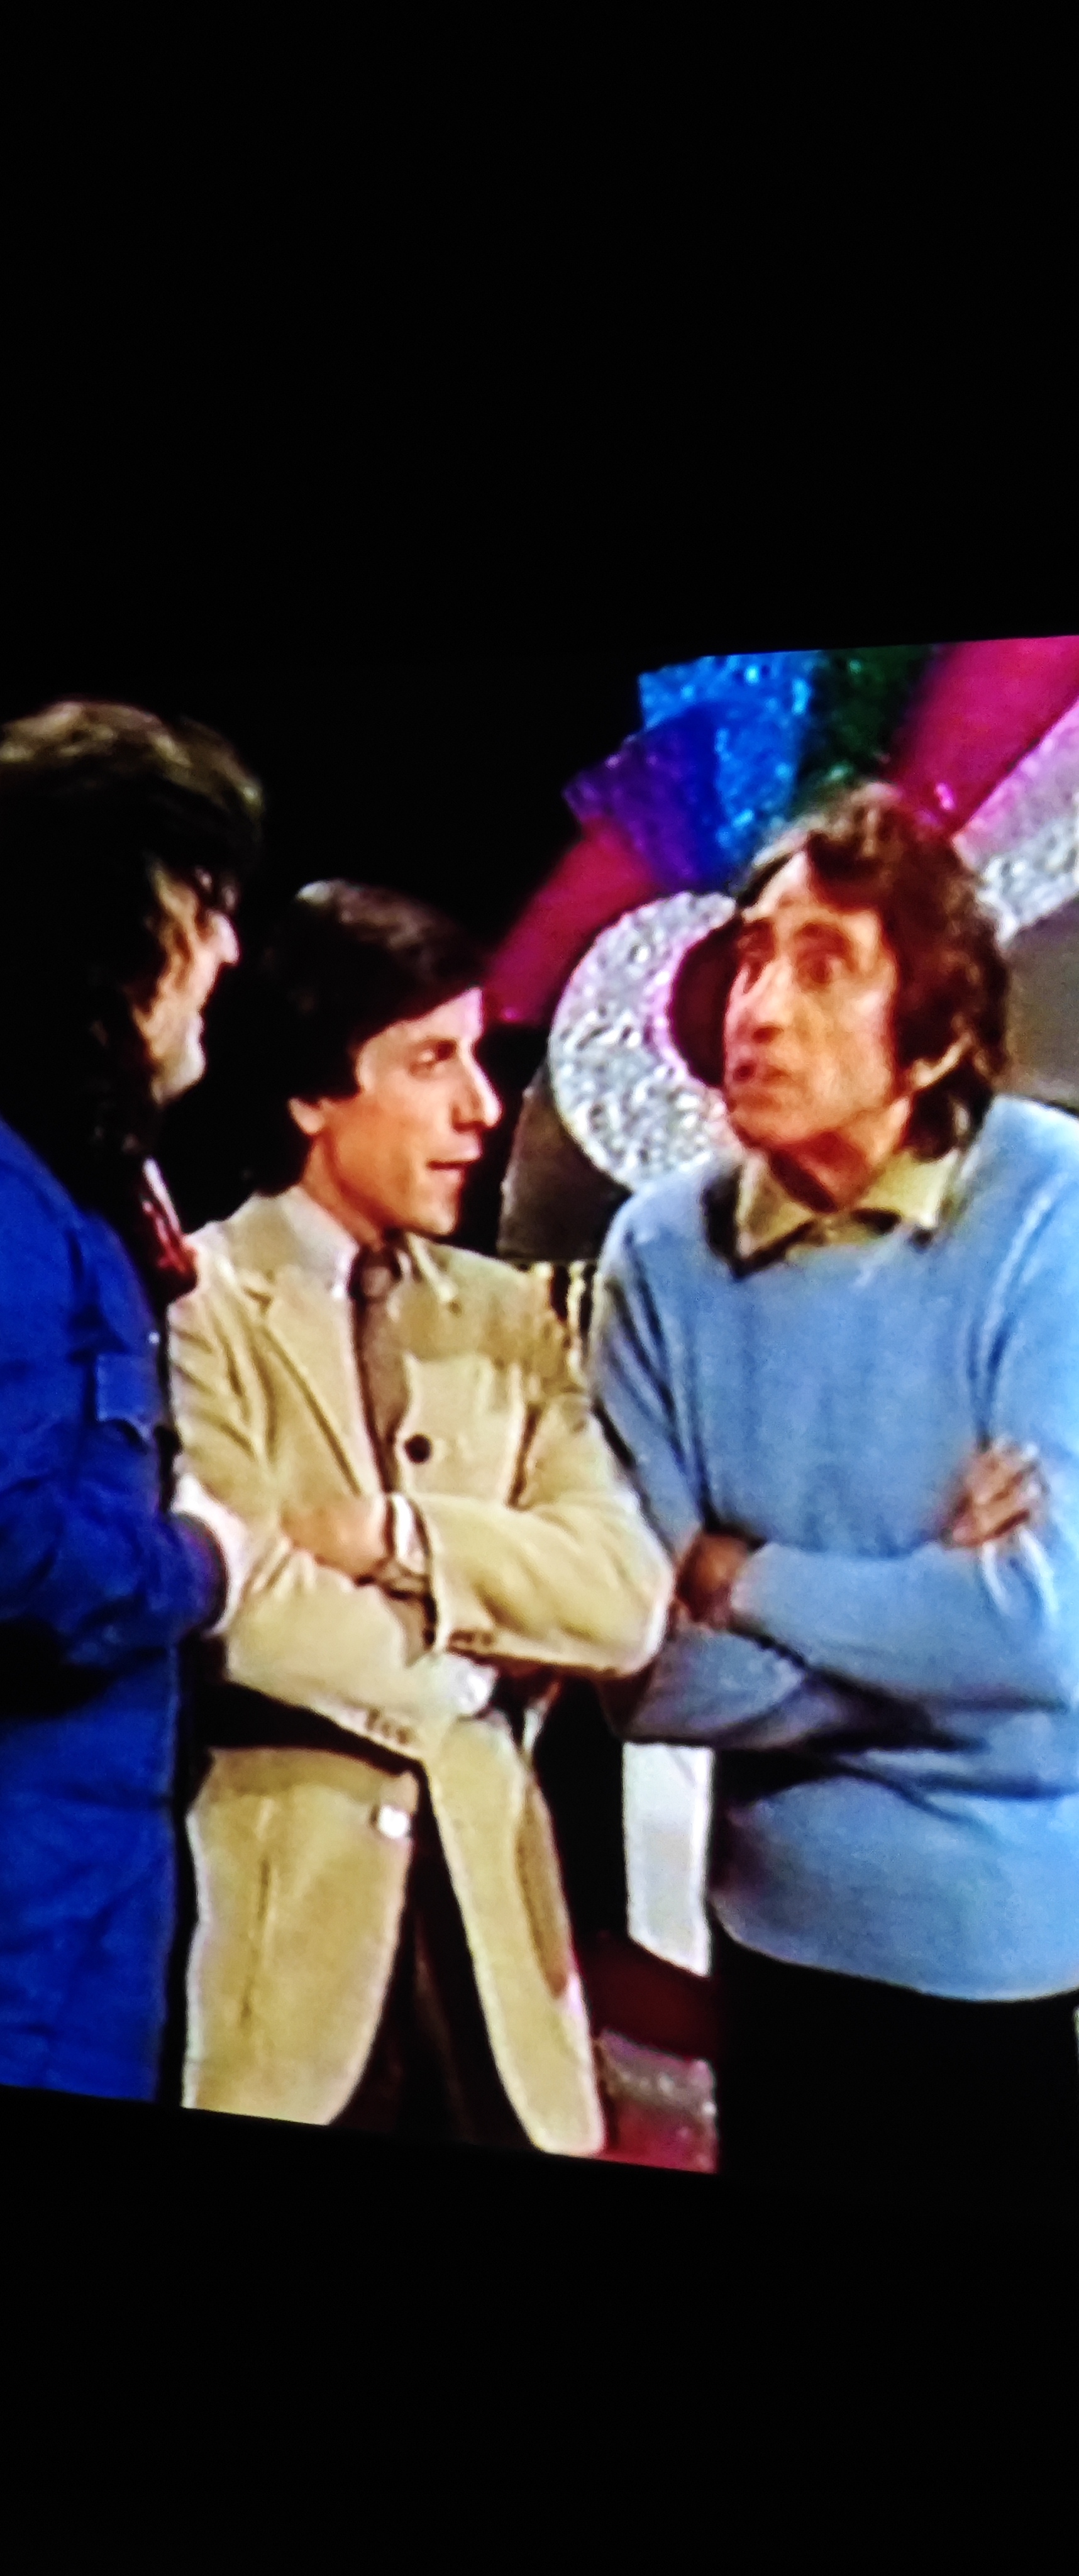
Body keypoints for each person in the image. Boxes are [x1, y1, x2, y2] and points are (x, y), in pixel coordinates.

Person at [589, 780, 1079, 2201]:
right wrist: (930, 1621)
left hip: (1003, 1957)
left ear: (932, 1035)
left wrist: (744, 1577)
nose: (757, 1010)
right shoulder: (659, 1256)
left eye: (823, 967)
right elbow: (645, 1676)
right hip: (768, 1950)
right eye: (752, 957)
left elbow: (1040, 1637)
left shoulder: (1051, 1211)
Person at [167, 881, 672, 2153]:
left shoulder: (511, 1319)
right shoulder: (199, 1304)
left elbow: (620, 1597)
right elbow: (246, 1607)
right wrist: (463, 1676)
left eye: (478, 1058)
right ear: (313, 1094)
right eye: (431, 1061)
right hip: (292, 1956)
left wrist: (401, 1536)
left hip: (498, 1948)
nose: (482, 1109)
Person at [0, 701, 263, 2101]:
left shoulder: (60, 1189)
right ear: (113, 922)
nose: (228, 951)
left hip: (73, 1930)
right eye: (208, 904)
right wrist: (204, 1559)